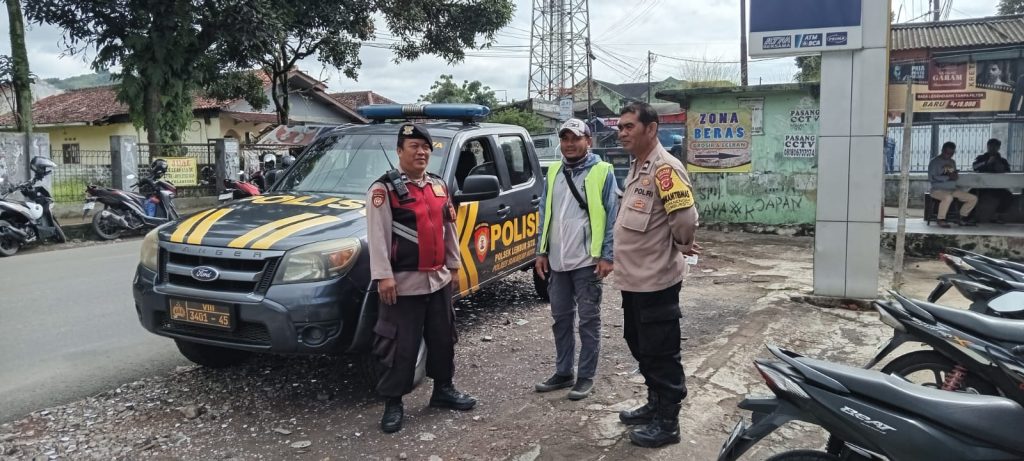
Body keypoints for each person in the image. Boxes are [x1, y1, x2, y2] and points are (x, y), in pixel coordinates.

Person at [366, 123, 476, 434]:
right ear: (399, 151)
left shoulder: (439, 186)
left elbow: (449, 231)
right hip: (402, 284)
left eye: (425, 147)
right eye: (413, 146)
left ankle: (443, 390)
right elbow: (377, 236)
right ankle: (393, 402)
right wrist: (383, 277)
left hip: (438, 280)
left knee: (443, 338)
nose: (421, 152)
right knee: (400, 345)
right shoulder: (383, 190)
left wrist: (454, 267)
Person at [612, 102, 699, 448]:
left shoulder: (665, 168)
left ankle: (668, 422)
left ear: (651, 129)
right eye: (620, 127)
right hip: (633, 280)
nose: (621, 133)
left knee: (661, 351)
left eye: (629, 127)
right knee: (640, 345)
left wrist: (680, 244)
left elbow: (686, 219)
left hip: (656, 280)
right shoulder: (638, 167)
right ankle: (654, 404)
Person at [533, 118, 619, 401]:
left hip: (587, 262)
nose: (569, 144)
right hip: (557, 262)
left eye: (576, 138)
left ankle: (585, 377)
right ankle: (563, 371)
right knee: (560, 320)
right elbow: (546, 213)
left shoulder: (603, 172)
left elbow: (611, 217)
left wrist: (607, 255)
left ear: (588, 142)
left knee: (588, 321)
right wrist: (541, 251)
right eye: (565, 139)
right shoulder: (554, 170)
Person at [929, 141, 978, 228]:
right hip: (937, 190)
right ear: (942, 150)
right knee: (948, 197)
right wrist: (948, 177)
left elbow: (953, 174)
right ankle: (941, 219)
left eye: (951, 153)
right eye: (947, 153)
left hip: (952, 189)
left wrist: (954, 176)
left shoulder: (952, 162)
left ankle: (962, 217)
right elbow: (932, 178)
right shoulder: (934, 162)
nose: (949, 155)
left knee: (973, 198)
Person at [972, 138, 1014, 224]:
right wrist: (987, 162)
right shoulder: (981, 158)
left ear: (998, 148)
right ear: (987, 147)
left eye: (995, 147)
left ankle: (996, 216)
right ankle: (972, 216)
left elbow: (1008, 172)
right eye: (991, 146)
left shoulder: (1002, 160)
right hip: (981, 186)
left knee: (1008, 196)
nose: (992, 148)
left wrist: (999, 165)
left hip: (997, 187)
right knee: (972, 193)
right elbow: (975, 167)